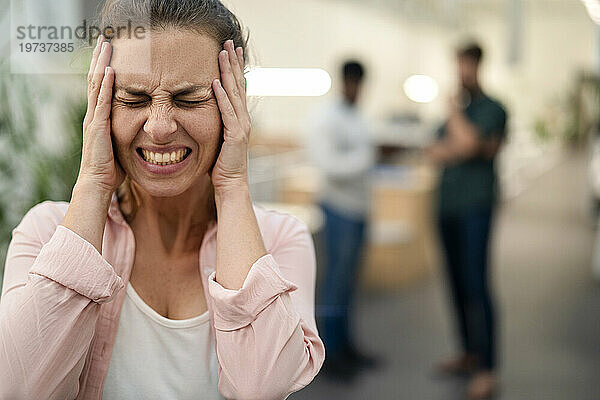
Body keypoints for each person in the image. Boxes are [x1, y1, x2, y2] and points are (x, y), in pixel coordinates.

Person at [0, 1, 325, 399]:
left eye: (189, 99)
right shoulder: (46, 232)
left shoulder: (279, 240)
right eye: (133, 99)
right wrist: (94, 181)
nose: (159, 127)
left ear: (234, 102)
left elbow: (262, 387)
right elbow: (22, 388)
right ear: (100, 102)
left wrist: (234, 184)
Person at [428, 42, 507, 400]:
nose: (462, 71)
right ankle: (468, 353)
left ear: (478, 65)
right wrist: (460, 146)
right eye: (458, 63)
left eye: (468, 64)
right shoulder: (460, 114)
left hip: (476, 208)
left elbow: (471, 144)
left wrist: (454, 117)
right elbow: (436, 150)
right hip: (446, 207)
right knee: (456, 284)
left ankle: (488, 367)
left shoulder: (493, 109)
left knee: (477, 283)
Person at [305, 61, 378, 381]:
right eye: (352, 82)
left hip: (360, 210)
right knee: (334, 284)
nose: (355, 88)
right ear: (343, 81)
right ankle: (329, 353)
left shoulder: (357, 116)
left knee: (349, 284)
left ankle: (346, 344)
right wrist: (367, 159)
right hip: (338, 210)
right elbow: (329, 165)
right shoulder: (326, 118)